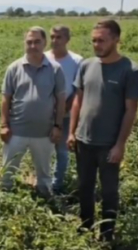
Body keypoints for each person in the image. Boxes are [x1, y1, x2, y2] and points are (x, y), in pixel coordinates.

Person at [67, 19, 138, 242]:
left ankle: (107, 234)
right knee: (84, 186)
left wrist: (120, 144)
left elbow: (131, 111)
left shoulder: (130, 70)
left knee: (109, 191)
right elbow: (77, 102)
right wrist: (72, 132)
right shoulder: (86, 65)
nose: (96, 45)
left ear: (116, 40)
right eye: (94, 40)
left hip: (109, 144)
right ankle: (85, 226)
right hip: (84, 140)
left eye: (102, 40)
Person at [0, 26, 66, 199]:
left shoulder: (55, 69)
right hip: (16, 130)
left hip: (44, 132)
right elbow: (6, 98)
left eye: (37, 41)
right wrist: (4, 125)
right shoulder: (14, 68)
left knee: (44, 175)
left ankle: (45, 200)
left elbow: (61, 100)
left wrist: (58, 126)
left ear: (44, 43)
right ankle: (4, 199)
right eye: (29, 42)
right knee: (7, 171)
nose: (33, 45)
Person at [44, 25, 83, 194]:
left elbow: (78, 89)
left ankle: (57, 185)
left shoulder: (77, 61)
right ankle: (43, 182)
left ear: (67, 39)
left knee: (62, 151)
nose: (55, 41)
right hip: (44, 113)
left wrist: (63, 108)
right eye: (52, 37)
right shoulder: (43, 57)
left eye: (59, 37)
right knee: (43, 148)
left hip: (66, 114)